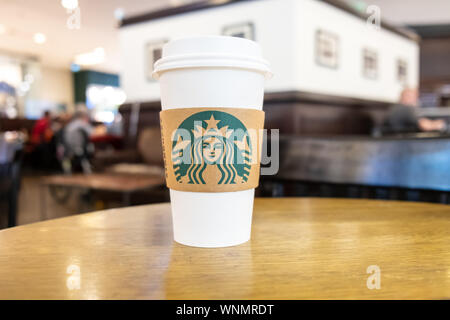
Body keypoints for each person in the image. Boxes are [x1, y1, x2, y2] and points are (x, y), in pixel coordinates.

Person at [382, 87, 446, 134]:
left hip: (393, 144)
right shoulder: (406, 109)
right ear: (407, 96)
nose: (416, 100)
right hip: (402, 145)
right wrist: (438, 124)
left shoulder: (393, 108)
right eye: (415, 97)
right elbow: (425, 126)